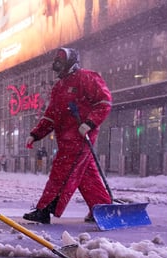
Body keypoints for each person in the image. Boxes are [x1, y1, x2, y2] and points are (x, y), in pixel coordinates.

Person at [24, 47, 113, 224]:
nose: (57, 65)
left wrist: (89, 123)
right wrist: (36, 134)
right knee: (86, 175)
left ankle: (45, 209)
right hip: (65, 138)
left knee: (62, 171)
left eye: (61, 61)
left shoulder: (87, 77)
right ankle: (102, 208)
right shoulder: (59, 87)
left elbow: (104, 102)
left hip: (79, 137)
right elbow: (51, 115)